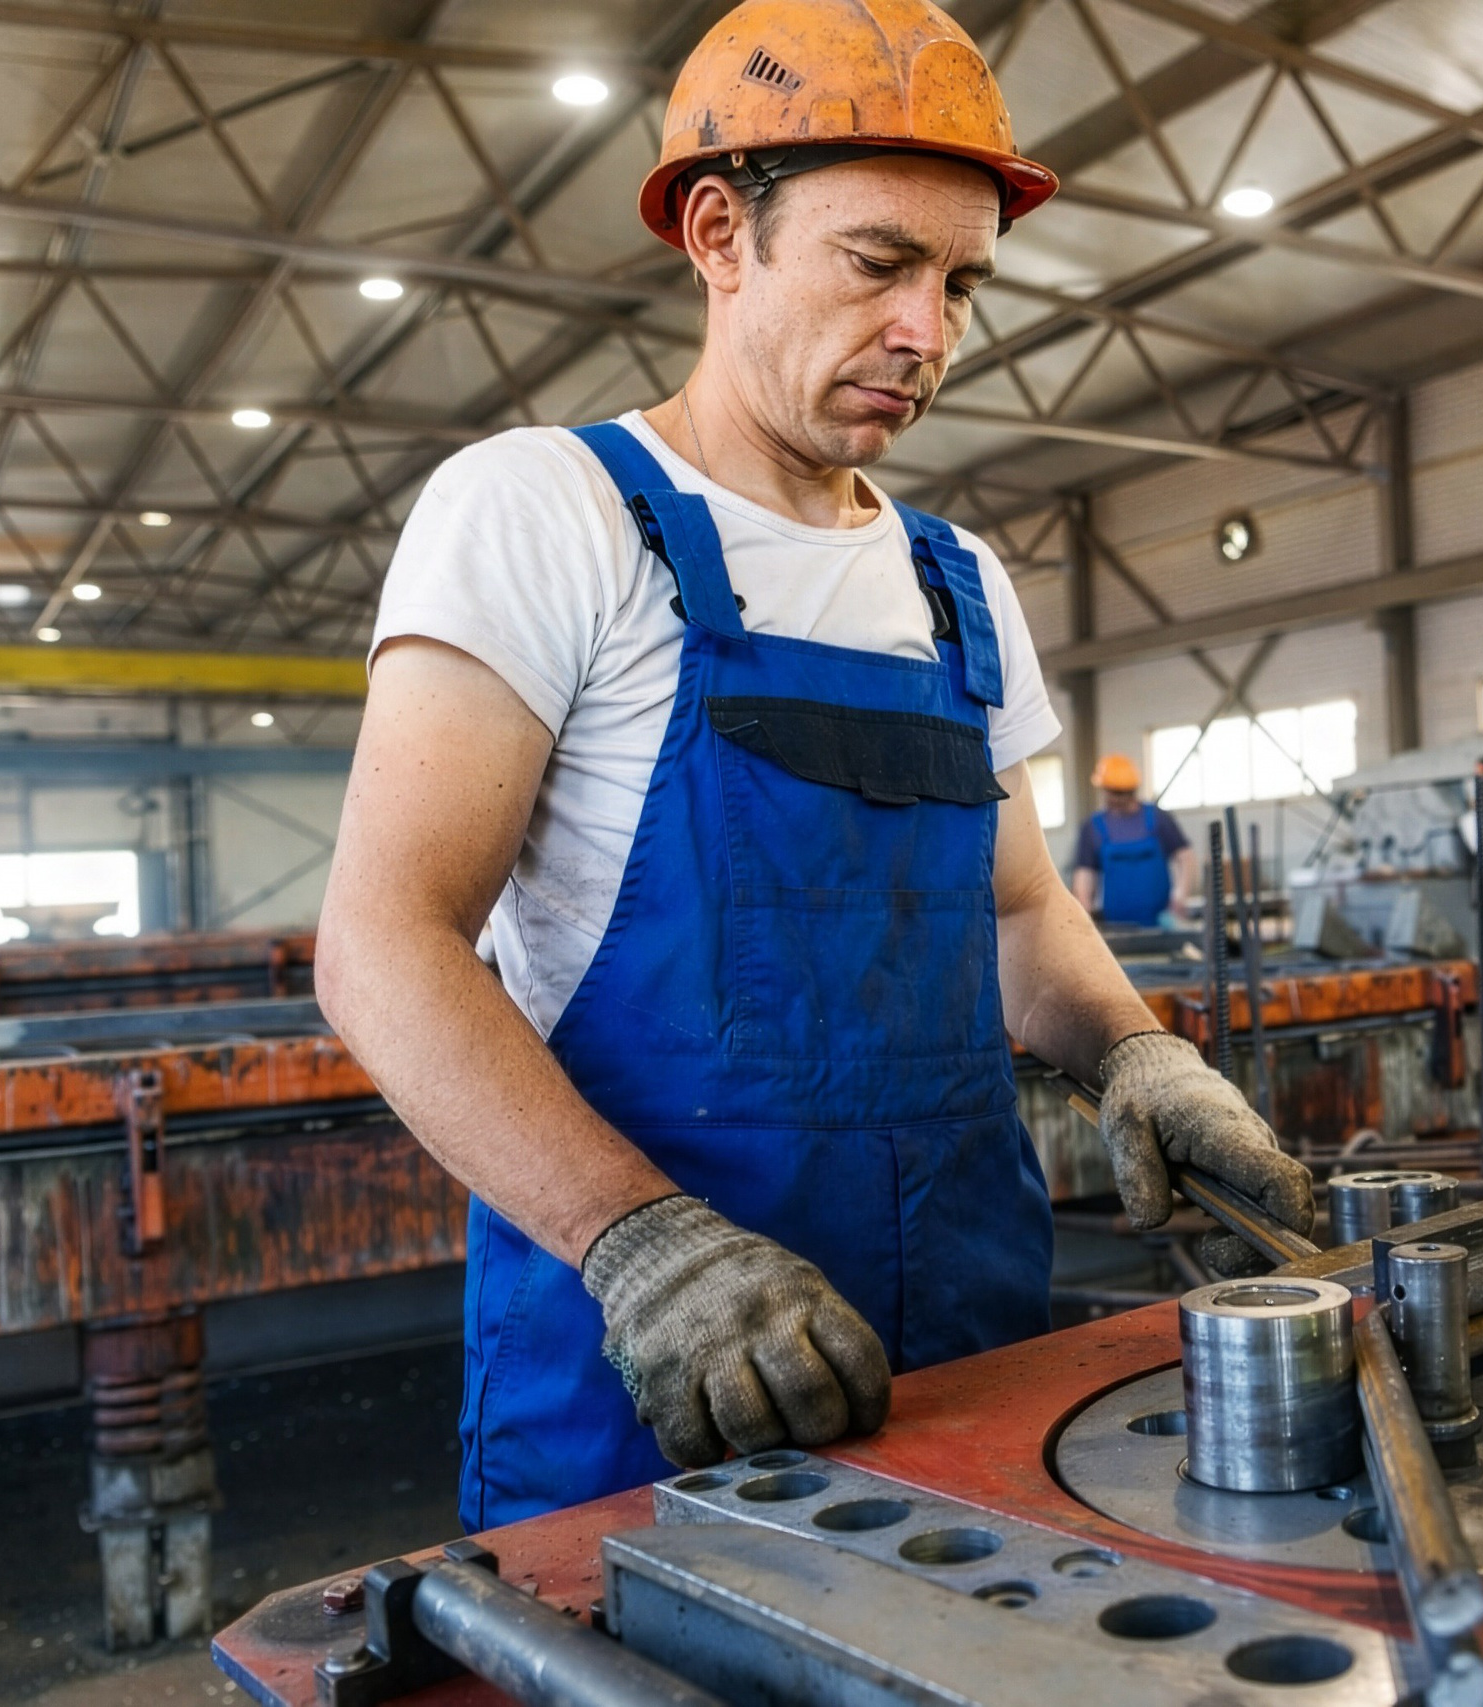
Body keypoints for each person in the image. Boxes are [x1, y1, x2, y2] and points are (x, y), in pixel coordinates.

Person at [313, 0, 1312, 1531]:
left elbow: (1023, 915)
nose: (932, 331)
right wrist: (646, 1242)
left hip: (969, 1335)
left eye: (964, 281)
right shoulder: (545, 512)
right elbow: (384, 941)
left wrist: (1136, 1052)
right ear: (720, 233)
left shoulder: (955, 578)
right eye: (878, 263)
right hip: (652, 1372)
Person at [1067, 754, 1195, 927]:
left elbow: (1185, 857)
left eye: (1123, 793)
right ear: (1104, 789)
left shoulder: (1158, 818)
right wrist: (1084, 914)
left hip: (1161, 923)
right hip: (1117, 926)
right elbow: (1084, 875)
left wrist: (1180, 895)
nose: (1117, 798)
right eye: (1113, 792)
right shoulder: (1093, 827)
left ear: (1133, 790)